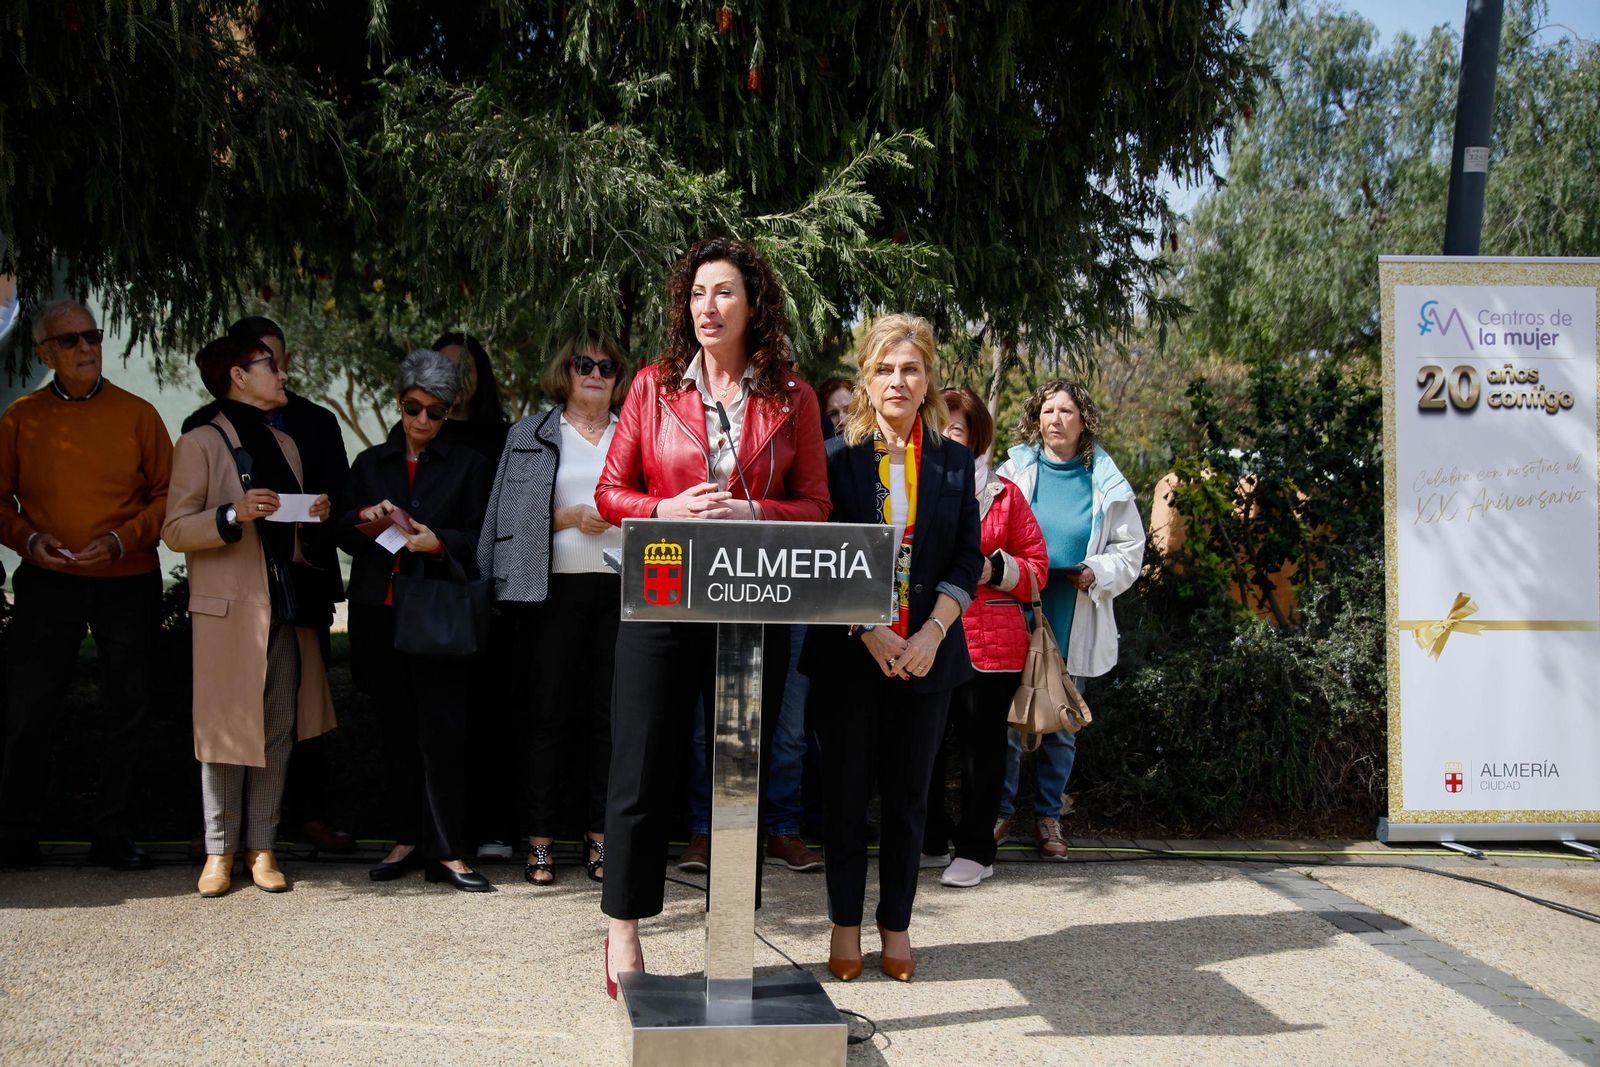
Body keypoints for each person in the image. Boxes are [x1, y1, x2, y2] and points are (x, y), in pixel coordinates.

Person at [594, 236, 830, 997]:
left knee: (739, 774)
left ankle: (729, 939)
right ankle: (624, 932)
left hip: (751, 600)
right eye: (697, 293)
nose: (708, 306)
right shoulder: (652, 386)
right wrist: (665, 506)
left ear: (754, 305)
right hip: (662, 590)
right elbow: (609, 493)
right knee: (639, 764)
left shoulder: (791, 396)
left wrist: (753, 510)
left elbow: (817, 506)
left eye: (724, 291)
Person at [799, 313, 981, 982]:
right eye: (884, 369)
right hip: (851, 656)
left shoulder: (953, 461)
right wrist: (867, 627)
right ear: (866, 380)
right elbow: (818, 551)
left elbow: (967, 556)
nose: (897, 380)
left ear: (928, 378)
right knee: (845, 800)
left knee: (909, 801)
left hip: (926, 656)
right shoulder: (835, 457)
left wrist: (933, 632)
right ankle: (844, 924)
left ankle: (896, 925)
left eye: (910, 368)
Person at [162, 335, 338, 896]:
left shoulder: (285, 443)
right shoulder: (199, 442)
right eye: (271, 366)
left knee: (279, 727)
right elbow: (174, 530)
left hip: (283, 606)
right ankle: (219, 850)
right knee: (222, 730)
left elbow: (288, 532)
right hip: (229, 613)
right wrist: (231, 514)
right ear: (238, 375)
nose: (282, 375)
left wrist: (313, 514)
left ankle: (263, 846)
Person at [0, 299, 171, 870]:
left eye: (92, 336)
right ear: (44, 353)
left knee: (128, 707)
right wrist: (28, 540)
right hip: (48, 581)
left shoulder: (138, 414)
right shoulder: (21, 417)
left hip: (127, 579)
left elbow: (169, 497)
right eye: (69, 340)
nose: (85, 348)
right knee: (30, 705)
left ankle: (113, 832)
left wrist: (123, 540)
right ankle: (16, 833)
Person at [478, 332, 628, 887]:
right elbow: (506, 518)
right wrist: (567, 517)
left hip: (621, 593)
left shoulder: (634, 433)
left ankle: (601, 839)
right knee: (546, 717)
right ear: (564, 372)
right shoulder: (530, 434)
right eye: (584, 364)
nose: (595, 374)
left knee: (609, 720)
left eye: (607, 367)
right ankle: (539, 842)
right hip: (549, 594)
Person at [340, 349, 493, 892]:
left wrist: (438, 543)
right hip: (378, 613)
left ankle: (447, 849)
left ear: (449, 412)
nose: (422, 420)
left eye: (435, 411)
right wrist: (363, 517)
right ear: (399, 404)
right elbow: (342, 534)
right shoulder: (371, 464)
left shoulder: (469, 465)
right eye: (412, 408)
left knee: (443, 733)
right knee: (395, 732)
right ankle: (405, 838)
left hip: (435, 616)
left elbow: (483, 539)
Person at [994, 379, 1144, 858]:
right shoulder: (1013, 471)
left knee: (1061, 722)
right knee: (1007, 720)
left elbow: (1130, 549)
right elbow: (989, 529)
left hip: (1072, 611)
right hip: (1015, 609)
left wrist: (1096, 571)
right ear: (1035, 419)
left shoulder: (1106, 480)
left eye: (1065, 411)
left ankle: (1048, 819)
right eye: (1047, 411)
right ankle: (998, 813)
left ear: (1084, 421)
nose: (1055, 420)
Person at [922, 388, 1049, 888]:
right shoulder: (911, 484)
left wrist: (995, 569)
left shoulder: (1004, 494)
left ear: (975, 438)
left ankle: (977, 848)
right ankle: (930, 838)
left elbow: (1037, 570)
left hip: (989, 644)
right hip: (926, 634)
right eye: (938, 427)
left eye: (956, 429)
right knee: (924, 742)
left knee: (982, 748)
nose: (945, 437)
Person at [432, 330, 516, 861]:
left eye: (466, 366)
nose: (456, 377)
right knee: (441, 718)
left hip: (490, 590)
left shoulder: (505, 437)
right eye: (445, 367)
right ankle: (445, 833)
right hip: (432, 589)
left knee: (494, 711)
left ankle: (497, 827)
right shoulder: (422, 430)